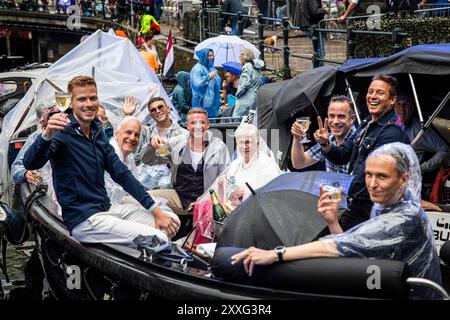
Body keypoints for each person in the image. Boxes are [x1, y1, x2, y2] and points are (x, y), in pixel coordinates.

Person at [231, 142, 443, 300]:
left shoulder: (405, 217)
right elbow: (358, 248)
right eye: (368, 174)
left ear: (404, 178)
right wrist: (332, 221)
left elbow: (338, 246)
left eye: (382, 176)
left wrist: (274, 254)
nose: (372, 183)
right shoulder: (384, 206)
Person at [23, 76, 180, 246]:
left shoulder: (97, 130)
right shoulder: (60, 132)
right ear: (71, 103)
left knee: (171, 221)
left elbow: (121, 173)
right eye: (82, 99)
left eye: (93, 98)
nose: (89, 103)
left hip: (107, 208)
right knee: (159, 238)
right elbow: (30, 163)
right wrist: (46, 134)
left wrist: (155, 210)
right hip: (84, 219)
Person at [316, 74, 409, 230]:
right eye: (370, 91)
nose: (373, 96)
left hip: (370, 212)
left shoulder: (391, 132)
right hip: (355, 205)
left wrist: (340, 194)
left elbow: (370, 176)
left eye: (379, 92)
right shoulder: (366, 123)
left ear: (392, 99)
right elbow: (344, 155)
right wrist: (325, 143)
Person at [150, 108, 230, 216]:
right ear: (187, 126)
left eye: (202, 122)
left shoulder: (219, 147)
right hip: (180, 197)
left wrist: (205, 202)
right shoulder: (176, 143)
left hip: (207, 200)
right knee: (145, 198)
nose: (198, 126)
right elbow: (149, 160)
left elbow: (226, 177)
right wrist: (152, 144)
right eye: (193, 123)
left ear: (208, 125)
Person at [291, 95, 357, 173]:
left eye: (341, 116)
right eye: (331, 116)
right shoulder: (328, 138)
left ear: (352, 119)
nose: (335, 121)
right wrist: (297, 137)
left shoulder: (361, 139)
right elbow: (299, 163)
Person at [394, 94, 449, 177]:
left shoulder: (420, 129)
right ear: (393, 107)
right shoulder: (385, 124)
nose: (402, 108)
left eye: (406, 104)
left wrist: (422, 168)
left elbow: (445, 150)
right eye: (398, 104)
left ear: (412, 109)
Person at [136, 97, 188, 165]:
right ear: (151, 115)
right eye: (153, 110)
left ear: (168, 109)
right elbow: (137, 155)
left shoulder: (183, 134)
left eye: (160, 107)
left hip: (173, 173)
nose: (157, 111)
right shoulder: (146, 132)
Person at [232, 48, 264, 118]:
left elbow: (245, 83)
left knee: (237, 121)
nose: (239, 58)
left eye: (240, 56)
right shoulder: (256, 67)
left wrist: (237, 94)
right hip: (254, 98)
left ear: (244, 56)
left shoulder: (246, 67)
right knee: (249, 121)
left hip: (245, 100)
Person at [190, 48, 222, 118]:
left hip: (213, 105)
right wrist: (208, 77)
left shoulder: (212, 68)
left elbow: (218, 84)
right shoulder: (197, 68)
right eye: (209, 56)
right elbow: (197, 84)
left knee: (213, 126)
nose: (211, 57)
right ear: (204, 56)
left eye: (212, 55)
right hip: (201, 103)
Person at [297, 0, 327, 65]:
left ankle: (317, 69)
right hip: (313, 26)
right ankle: (318, 70)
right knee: (320, 50)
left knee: (318, 50)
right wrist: (324, 11)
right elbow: (315, 11)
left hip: (307, 24)